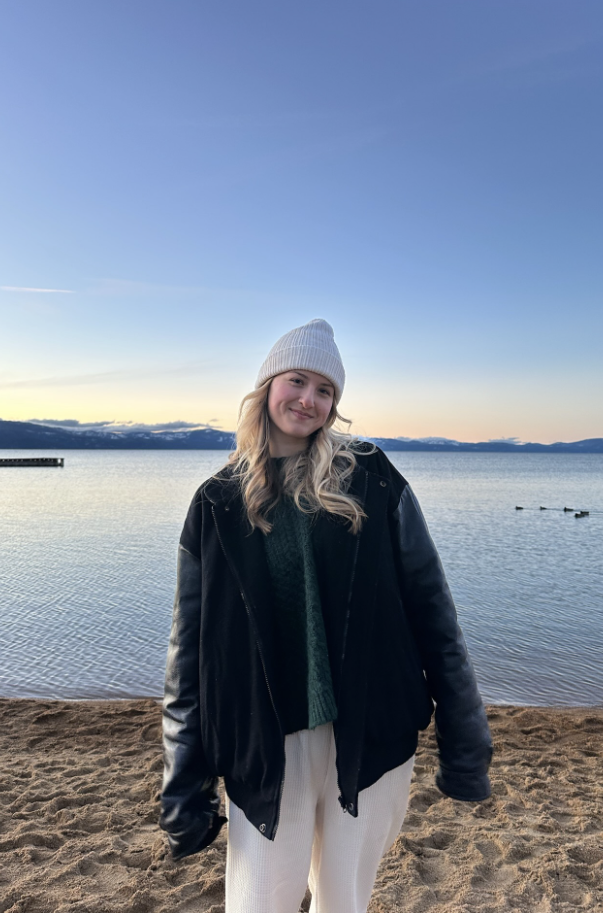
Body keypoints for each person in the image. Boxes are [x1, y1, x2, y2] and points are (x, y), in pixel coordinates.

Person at [159, 318, 492, 913]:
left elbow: (433, 610)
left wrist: (466, 737)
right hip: (263, 742)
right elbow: (189, 652)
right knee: (259, 903)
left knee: (344, 903)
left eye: (325, 391)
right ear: (267, 386)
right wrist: (184, 776)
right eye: (297, 381)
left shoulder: (372, 478)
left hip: (368, 732)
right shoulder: (216, 502)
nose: (309, 400)